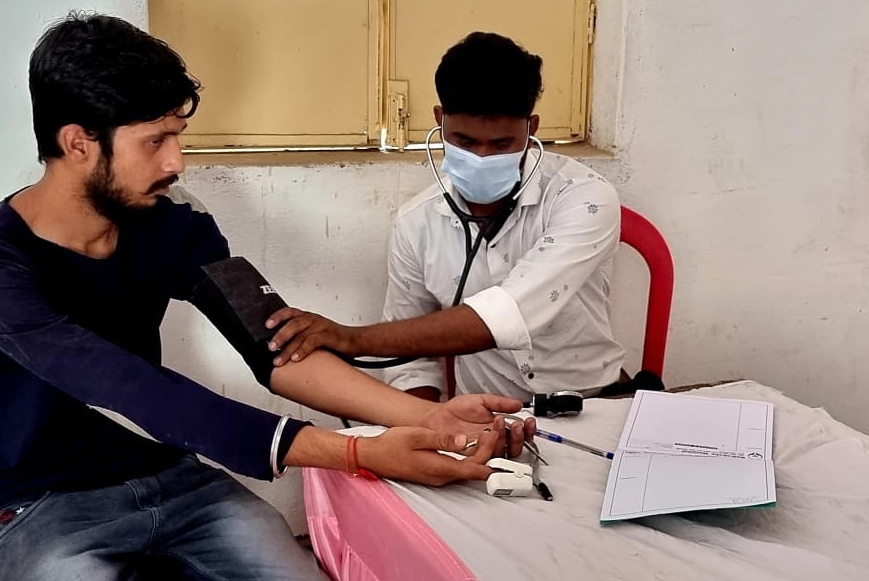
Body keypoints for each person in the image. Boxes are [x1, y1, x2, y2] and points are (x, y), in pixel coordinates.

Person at [0, 14, 532, 581]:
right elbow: (137, 395)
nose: (176, 162)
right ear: (78, 143)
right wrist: (360, 452)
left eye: (178, 135)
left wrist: (426, 419)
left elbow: (275, 346)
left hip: (164, 478)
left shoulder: (171, 218)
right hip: (31, 509)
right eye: (155, 141)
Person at [267, 32, 625, 403]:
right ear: (440, 121)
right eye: (465, 141)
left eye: (501, 144)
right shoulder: (416, 223)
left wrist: (351, 339)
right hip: (486, 416)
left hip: (594, 404)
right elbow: (411, 362)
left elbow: (508, 313)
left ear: (531, 128)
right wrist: (427, 424)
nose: (482, 157)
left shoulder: (584, 197)